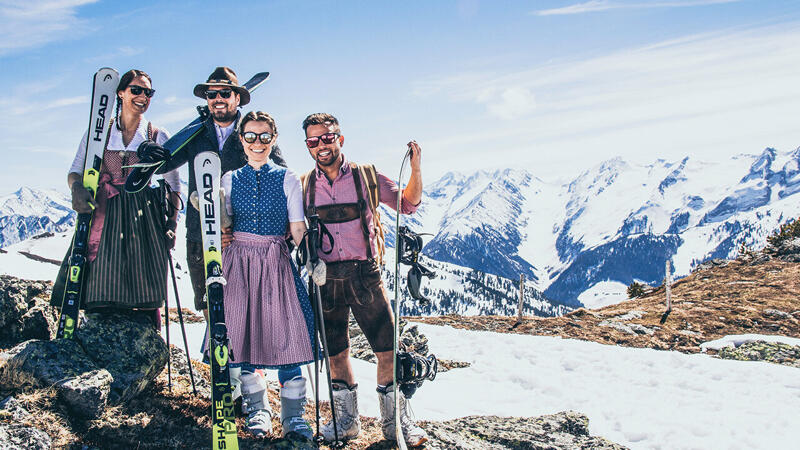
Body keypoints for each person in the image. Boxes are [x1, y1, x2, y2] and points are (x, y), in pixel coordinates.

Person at [141, 67, 288, 436]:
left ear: (238, 98)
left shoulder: (252, 132)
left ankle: (252, 400)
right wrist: (152, 153)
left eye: (225, 93)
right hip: (200, 235)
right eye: (212, 94)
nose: (218, 99)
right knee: (212, 308)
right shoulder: (197, 134)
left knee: (246, 312)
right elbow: (165, 162)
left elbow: (278, 172)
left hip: (242, 239)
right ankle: (229, 386)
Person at [300, 113, 428, 446]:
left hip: (365, 275)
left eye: (327, 138)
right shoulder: (303, 185)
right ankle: (346, 424)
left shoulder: (367, 177)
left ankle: (395, 424)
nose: (321, 146)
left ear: (340, 139)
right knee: (336, 355)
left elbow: (409, 204)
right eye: (313, 141)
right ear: (308, 146)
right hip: (324, 278)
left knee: (387, 350)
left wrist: (415, 169)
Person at [215, 111, 316, 439]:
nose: (257, 143)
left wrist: (313, 260)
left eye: (264, 137)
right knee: (245, 335)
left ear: (273, 140)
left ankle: (293, 416)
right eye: (250, 136)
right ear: (241, 140)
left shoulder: (288, 178)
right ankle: (258, 410)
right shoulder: (229, 180)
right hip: (239, 264)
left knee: (287, 334)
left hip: (275, 262)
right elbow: (224, 226)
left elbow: (298, 226)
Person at [51, 69, 180, 318]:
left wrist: (172, 222)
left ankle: (147, 343)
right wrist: (77, 188)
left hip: (143, 218)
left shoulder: (157, 135)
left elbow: (173, 184)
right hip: (105, 212)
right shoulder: (98, 134)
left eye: (148, 92)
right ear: (120, 93)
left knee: (145, 282)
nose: (142, 96)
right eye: (136, 90)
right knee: (102, 280)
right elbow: (75, 172)